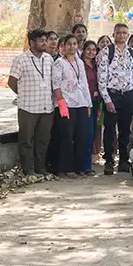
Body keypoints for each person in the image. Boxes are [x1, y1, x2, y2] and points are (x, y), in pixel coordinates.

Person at [9, 29, 55, 179]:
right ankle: (29, 170)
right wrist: (24, 94)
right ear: (32, 43)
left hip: (47, 106)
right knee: (26, 140)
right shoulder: (21, 59)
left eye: (45, 40)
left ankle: (41, 169)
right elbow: (11, 82)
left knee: (43, 140)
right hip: (27, 106)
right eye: (41, 40)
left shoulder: (49, 59)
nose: (45, 43)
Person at [98, 23, 133, 175]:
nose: (121, 35)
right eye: (118, 33)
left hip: (128, 94)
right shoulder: (106, 51)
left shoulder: (131, 52)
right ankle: (109, 161)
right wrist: (107, 99)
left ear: (128, 35)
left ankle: (123, 160)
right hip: (112, 94)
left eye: (124, 33)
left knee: (125, 130)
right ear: (114, 34)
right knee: (110, 129)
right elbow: (101, 77)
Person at [51, 34, 92, 178]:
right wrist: (61, 104)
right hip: (66, 104)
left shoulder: (80, 62)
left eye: (74, 44)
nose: (72, 47)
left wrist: (88, 104)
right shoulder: (59, 63)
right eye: (69, 44)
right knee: (66, 136)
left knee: (81, 135)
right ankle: (65, 168)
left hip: (81, 103)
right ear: (63, 46)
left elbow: (85, 84)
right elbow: (56, 85)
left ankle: (79, 167)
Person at [82, 40, 101, 173]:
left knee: (93, 132)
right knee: (85, 133)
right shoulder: (79, 64)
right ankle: (83, 165)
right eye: (88, 49)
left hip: (95, 102)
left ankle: (87, 163)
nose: (91, 52)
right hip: (82, 102)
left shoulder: (97, 65)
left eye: (94, 50)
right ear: (83, 50)